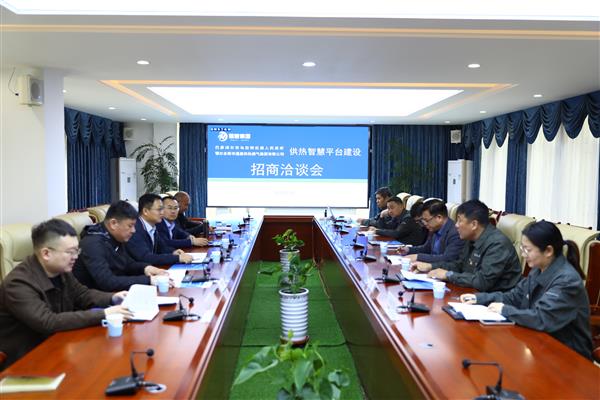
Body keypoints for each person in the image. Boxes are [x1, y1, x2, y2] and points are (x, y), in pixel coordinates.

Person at [0, 219, 132, 369]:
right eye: (70, 252)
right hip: (25, 360)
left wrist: (113, 298)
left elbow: (82, 295)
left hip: (58, 344)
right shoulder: (17, 283)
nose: (76, 256)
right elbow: (47, 322)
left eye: (77, 250)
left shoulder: (61, 271)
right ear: (46, 253)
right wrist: (104, 313)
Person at [460, 221, 593, 360]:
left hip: (568, 356)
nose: (523, 255)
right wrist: (480, 298)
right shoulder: (538, 269)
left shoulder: (567, 281)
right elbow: (515, 296)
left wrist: (505, 310)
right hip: (540, 343)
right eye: (522, 249)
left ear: (548, 251)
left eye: (527, 250)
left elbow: (542, 318)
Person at [414, 199, 521, 292]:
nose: (456, 225)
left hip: (497, 301)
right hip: (473, 293)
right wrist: (431, 267)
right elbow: (459, 265)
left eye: (459, 221)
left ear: (474, 224)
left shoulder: (497, 244)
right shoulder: (471, 238)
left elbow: (482, 282)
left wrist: (448, 275)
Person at [73, 201, 169, 291]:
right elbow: (107, 282)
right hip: (96, 299)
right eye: (130, 226)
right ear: (113, 223)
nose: (134, 230)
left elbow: (127, 263)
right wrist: (148, 280)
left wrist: (146, 268)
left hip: (116, 293)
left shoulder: (115, 236)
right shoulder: (92, 244)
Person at [126, 194, 193, 265]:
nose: (162, 212)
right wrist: (177, 258)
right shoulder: (135, 229)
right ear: (145, 211)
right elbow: (146, 257)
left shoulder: (152, 226)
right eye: (159, 209)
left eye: (162, 209)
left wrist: (173, 252)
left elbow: (161, 247)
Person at [399, 199, 464, 263]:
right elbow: (426, 248)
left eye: (426, 220)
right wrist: (408, 250)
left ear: (439, 217)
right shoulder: (434, 229)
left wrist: (418, 257)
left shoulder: (455, 233)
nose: (424, 223)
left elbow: (447, 258)